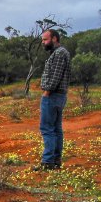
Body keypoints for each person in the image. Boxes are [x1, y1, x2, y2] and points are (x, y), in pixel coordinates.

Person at [37, 28, 71, 170]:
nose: (43, 42)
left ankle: (48, 162)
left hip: (53, 95)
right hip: (59, 95)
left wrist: (47, 92)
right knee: (56, 129)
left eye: (45, 40)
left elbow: (55, 77)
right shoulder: (60, 53)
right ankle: (56, 161)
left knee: (47, 129)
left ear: (54, 39)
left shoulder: (59, 53)